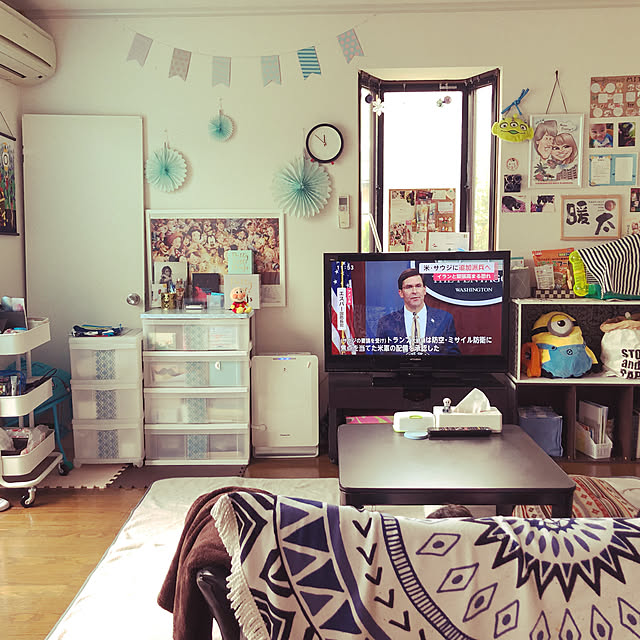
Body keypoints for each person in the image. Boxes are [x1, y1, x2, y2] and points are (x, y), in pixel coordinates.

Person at [376, 268, 461, 355]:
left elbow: (453, 355)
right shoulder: (386, 322)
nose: (414, 291)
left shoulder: (445, 319)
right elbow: (378, 357)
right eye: (409, 287)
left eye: (418, 286)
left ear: (424, 290)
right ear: (401, 293)